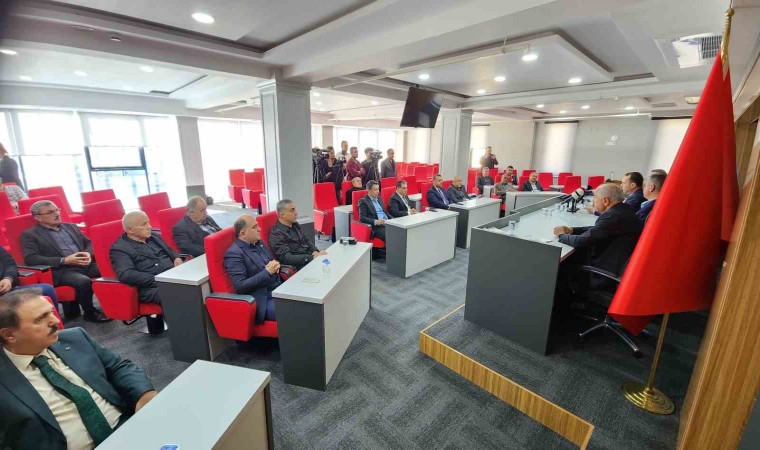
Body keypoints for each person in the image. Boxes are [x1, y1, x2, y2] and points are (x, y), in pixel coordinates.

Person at [0, 290, 157, 450]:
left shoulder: (75, 337)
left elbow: (118, 367)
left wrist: (143, 393)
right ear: (9, 335)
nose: (55, 321)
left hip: (125, 426)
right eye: (41, 319)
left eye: (51, 312)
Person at [21, 201, 110, 323]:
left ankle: (117, 304)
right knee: (83, 281)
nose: (57, 214)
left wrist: (88, 253)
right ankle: (90, 312)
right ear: (38, 217)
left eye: (57, 210)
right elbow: (31, 258)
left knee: (112, 268)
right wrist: (64, 260)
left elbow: (89, 243)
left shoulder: (71, 226)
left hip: (85, 264)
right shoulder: (30, 235)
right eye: (50, 212)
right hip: (62, 270)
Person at [553, 183, 643, 276]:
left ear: (605, 201)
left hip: (603, 270)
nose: (593, 202)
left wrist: (561, 235)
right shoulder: (623, 210)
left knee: (563, 265)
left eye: (595, 198)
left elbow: (581, 241)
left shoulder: (612, 216)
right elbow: (597, 229)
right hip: (615, 261)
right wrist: (572, 230)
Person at [111, 212, 182, 304]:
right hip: (151, 287)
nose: (150, 227)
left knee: (198, 284)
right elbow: (126, 274)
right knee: (182, 294)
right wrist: (159, 279)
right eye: (144, 224)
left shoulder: (154, 236)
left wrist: (176, 257)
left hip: (174, 276)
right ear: (130, 230)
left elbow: (170, 250)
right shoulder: (120, 248)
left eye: (148, 222)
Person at [224, 215, 279, 323]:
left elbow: (272, 262)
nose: (260, 229)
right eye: (255, 227)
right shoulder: (234, 253)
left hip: (277, 288)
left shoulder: (259, 243)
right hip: (263, 299)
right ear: (243, 233)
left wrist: (276, 265)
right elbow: (240, 286)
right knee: (294, 311)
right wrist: (267, 272)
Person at [269, 200, 326, 270]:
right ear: (282, 215)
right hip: (299, 265)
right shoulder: (276, 234)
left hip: (309, 257)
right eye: (292, 210)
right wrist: (311, 258)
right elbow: (286, 258)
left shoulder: (294, 224)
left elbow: (306, 240)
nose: (296, 213)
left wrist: (315, 251)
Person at [0, 246, 60, 311]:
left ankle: (53, 317)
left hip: (8, 291)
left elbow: (11, 264)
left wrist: (8, 278)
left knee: (48, 289)